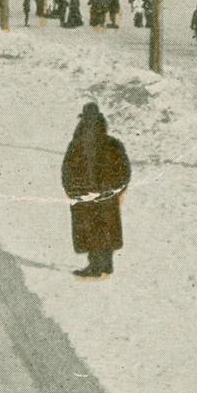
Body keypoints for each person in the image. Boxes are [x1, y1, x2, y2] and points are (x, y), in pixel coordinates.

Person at [61, 102, 132, 279]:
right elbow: (125, 170)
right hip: (106, 195)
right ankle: (106, 265)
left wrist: (71, 190)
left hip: (85, 194)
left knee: (90, 229)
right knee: (105, 228)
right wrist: (117, 189)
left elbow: (67, 170)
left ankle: (95, 267)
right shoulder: (112, 143)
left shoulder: (77, 144)